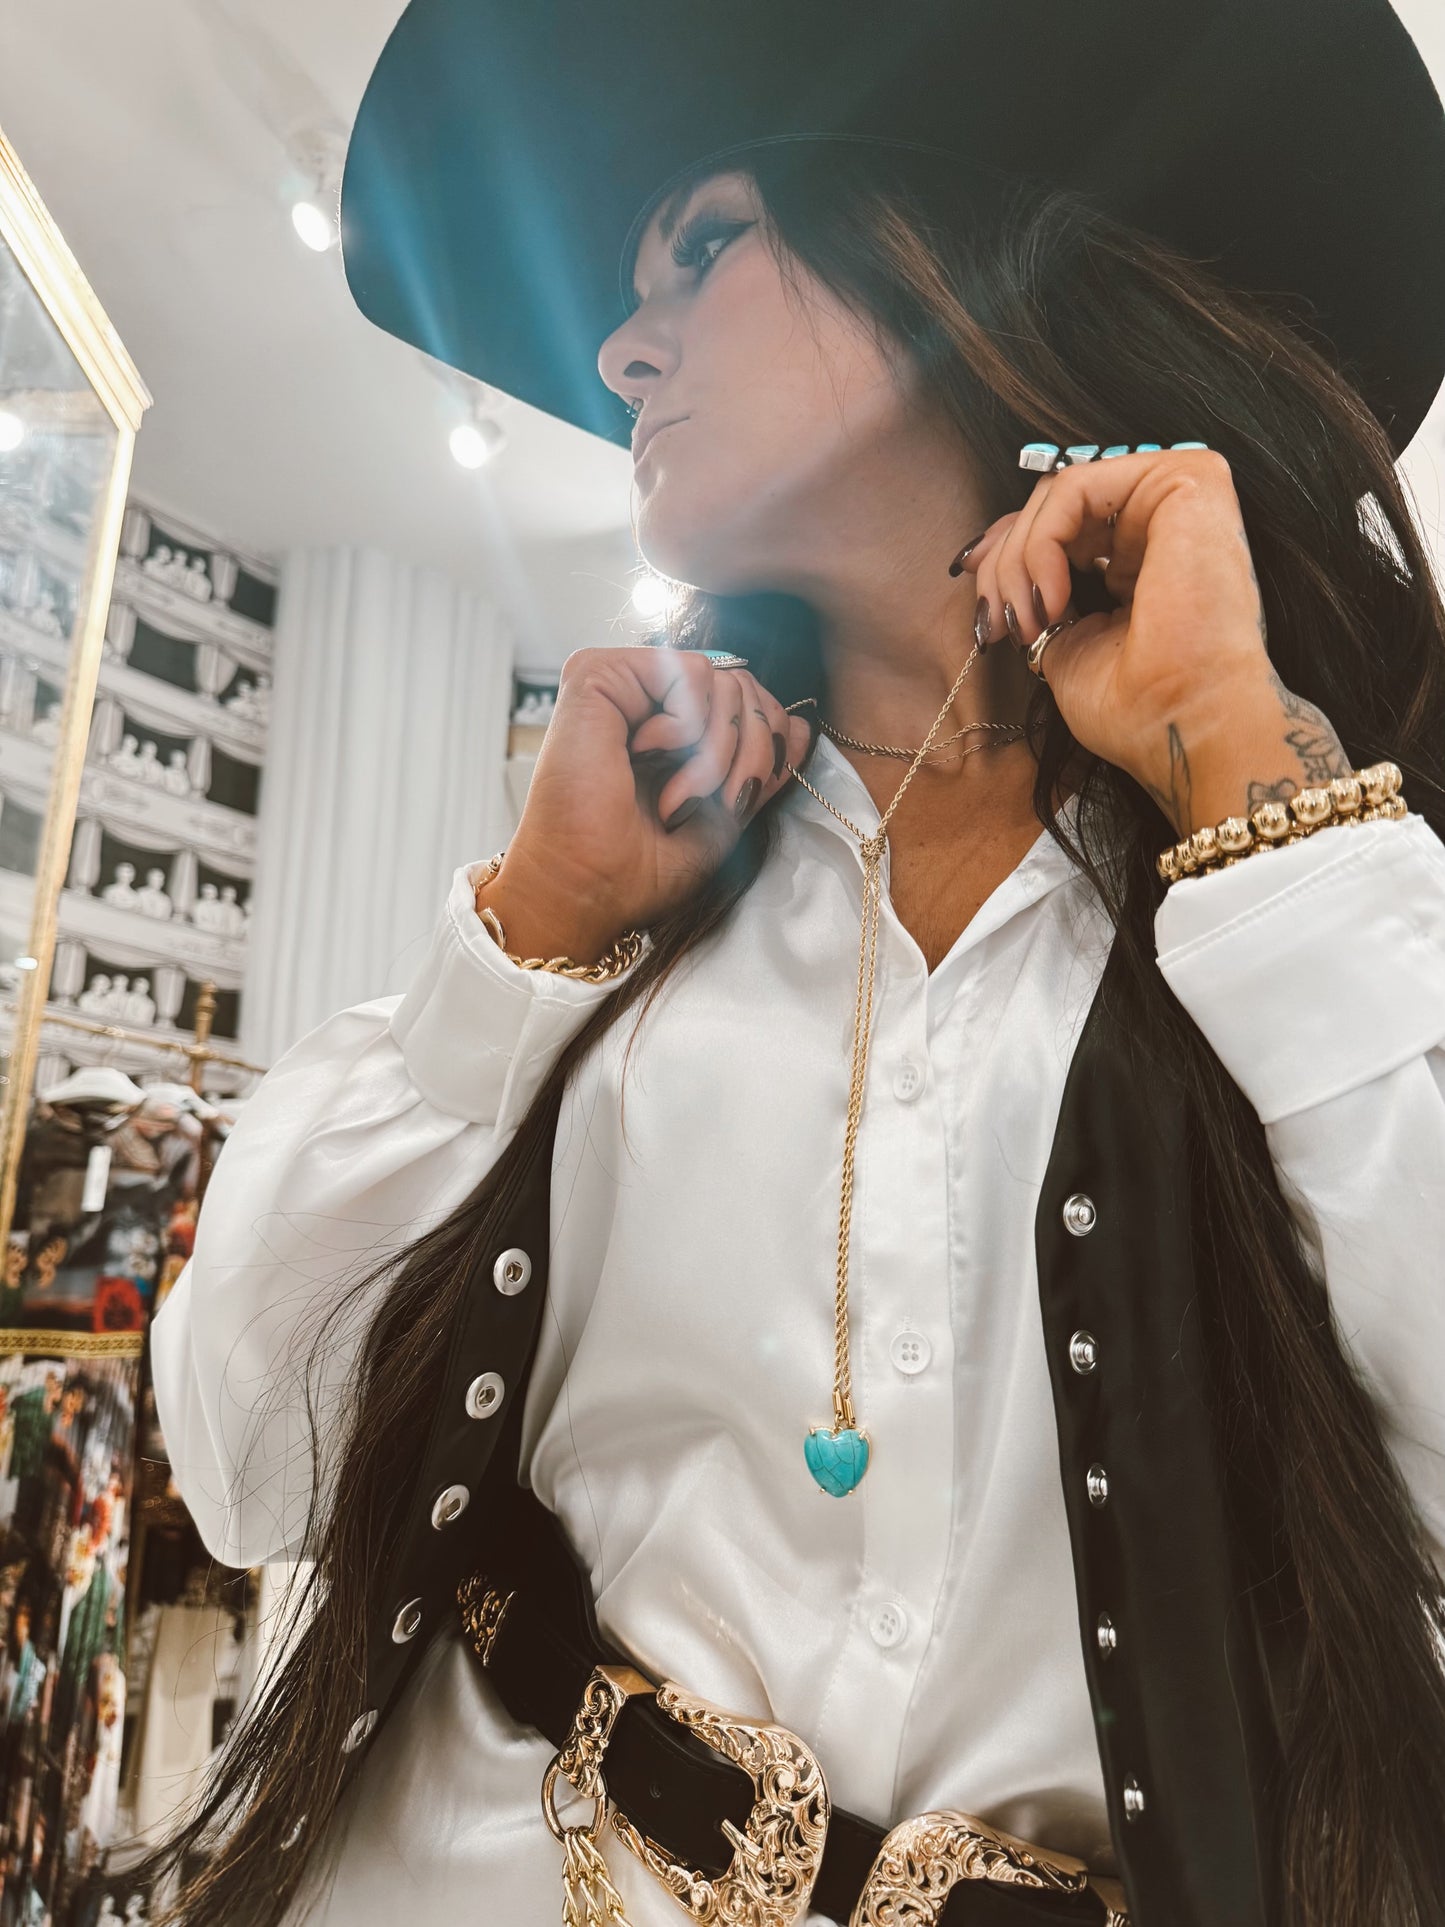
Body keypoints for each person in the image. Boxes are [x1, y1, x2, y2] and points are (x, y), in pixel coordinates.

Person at [135, 3, 1445, 1925]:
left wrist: (1247, 792)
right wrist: (527, 943)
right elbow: (247, 1461)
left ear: (944, 256)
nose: (619, 344)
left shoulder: (1327, 888)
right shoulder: (617, 873)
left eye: (700, 244)